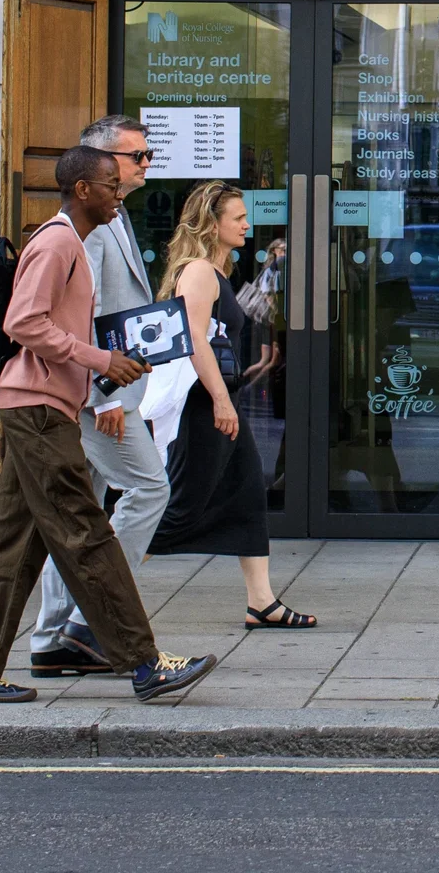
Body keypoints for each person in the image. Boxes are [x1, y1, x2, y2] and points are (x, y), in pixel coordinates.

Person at [0, 147, 218, 703]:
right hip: (39, 410)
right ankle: (144, 663)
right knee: (86, 533)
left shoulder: (69, 241)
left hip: (40, 406)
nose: (120, 193)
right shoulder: (59, 240)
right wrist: (100, 362)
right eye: (111, 183)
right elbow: (23, 322)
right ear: (82, 190)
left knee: (12, 546)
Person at [30, 116, 171, 679]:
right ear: (99, 162)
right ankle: (92, 624)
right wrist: (103, 395)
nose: (145, 165)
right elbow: (77, 314)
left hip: (102, 390)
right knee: (149, 487)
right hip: (95, 395)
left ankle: (50, 639)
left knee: (78, 516)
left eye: (146, 155)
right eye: (137, 156)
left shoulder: (115, 215)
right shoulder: (86, 225)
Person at [143, 182, 315, 629]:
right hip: (204, 403)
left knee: (246, 495)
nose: (246, 224)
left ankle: (262, 601)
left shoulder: (217, 270)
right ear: (211, 222)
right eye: (238, 217)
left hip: (219, 398)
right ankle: (92, 592)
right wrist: (221, 400)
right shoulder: (199, 271)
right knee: (181, 505)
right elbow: (194, 339)